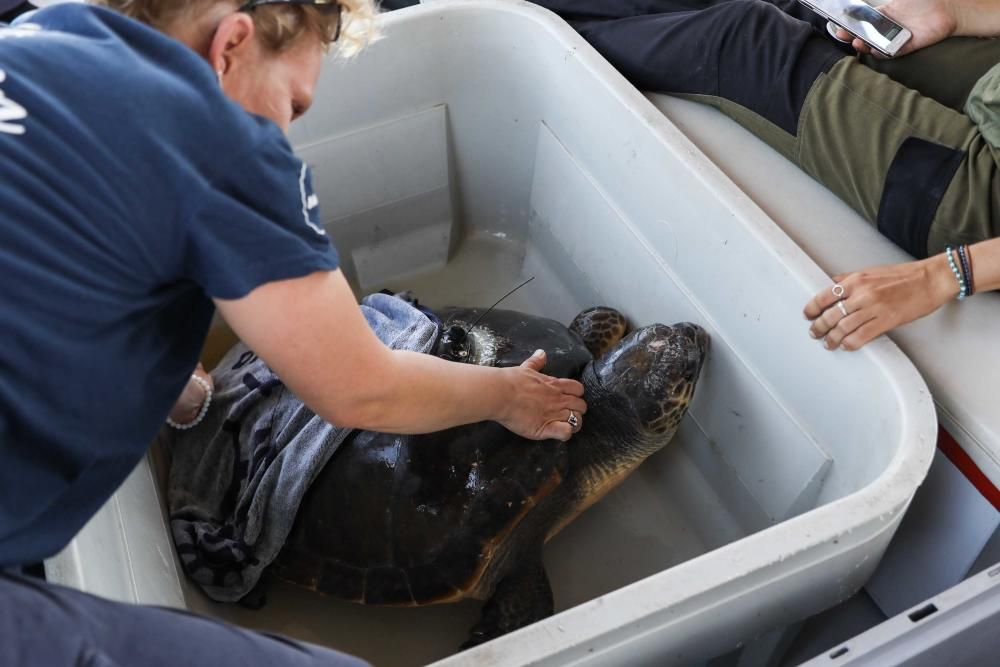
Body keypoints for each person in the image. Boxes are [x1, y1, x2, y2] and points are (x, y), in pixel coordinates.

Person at [0, 1, 586, 665]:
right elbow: (363, 389)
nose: (285, 136)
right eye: (293, 105)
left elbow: (53, 260)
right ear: (232, 45)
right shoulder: (217, 139)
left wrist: (177, 391)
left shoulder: (41, 37)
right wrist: (509, 395)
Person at [520, 0, 1000, 350]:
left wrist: (944, 276)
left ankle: (522, 25)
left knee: (747, 43)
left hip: (983, 200)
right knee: (821, 9)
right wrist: (956, 14)